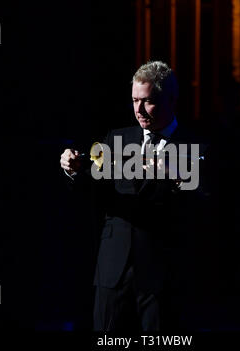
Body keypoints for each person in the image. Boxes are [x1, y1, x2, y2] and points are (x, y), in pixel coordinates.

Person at [60, 61, 211, 332]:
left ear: (171, 100)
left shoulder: (196, 146)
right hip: (113, 271)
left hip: (163, 276)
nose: (139, 110)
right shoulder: (117, 137)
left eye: (148, 102)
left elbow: (206, 206)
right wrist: (73, 171)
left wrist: (178, 176)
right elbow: (93, 190)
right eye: (134, 100)